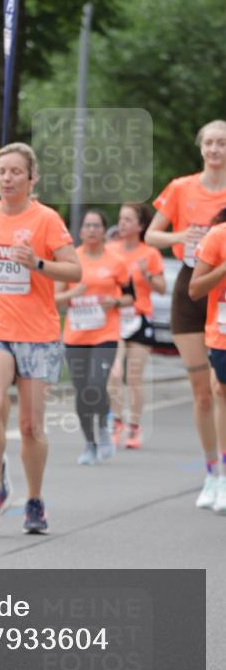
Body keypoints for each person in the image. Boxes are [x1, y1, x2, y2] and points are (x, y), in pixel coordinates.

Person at [0, 143, 80, 533]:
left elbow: (75, 271)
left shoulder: (46, 220)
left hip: (37, 333)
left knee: (31, 426)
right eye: (2, 171)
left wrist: (38, 264)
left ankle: (35, 499)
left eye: (16, 172)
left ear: (32, 179)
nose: (8, 178)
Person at [146, 120, 226, 508]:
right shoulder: (182, 188)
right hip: (190, 287)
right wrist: (181, 237)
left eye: (222, 143)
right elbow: (151, 236)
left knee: (220, 387)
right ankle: (212, 472)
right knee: (202, 392)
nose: (215, 149)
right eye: (209, 142)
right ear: (201, 148)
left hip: (223, 291)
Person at [56, 210, 132, 465]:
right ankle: (89, 442)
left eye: (96, 225)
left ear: (103, 230)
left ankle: (103, 426)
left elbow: (131, 296)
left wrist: (116, 301)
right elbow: (54, 299)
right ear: (80, 232)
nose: (91, 230)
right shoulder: (70, 261)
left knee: (97, 385)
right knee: (82, 392)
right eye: (86, 226)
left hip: (105, 334)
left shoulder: (116, 261)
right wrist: (73, 293)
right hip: (76, 336)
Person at [107, 203, 165, 449]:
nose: (122, 224)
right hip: (115, 316)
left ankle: (134, 427)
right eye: (121, 219)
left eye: (128, 220)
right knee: (114, 373)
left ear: (140, 226)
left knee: (134, 378)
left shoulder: (149, 253)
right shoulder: (110, 250)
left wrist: (147, 275)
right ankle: (116, 421)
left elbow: (161, 288)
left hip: (140, 318)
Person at [189, 208, 226, 514]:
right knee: (220, 393)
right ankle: (220, 475)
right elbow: (195, 288)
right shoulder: (218, 235)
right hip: (223, 333)